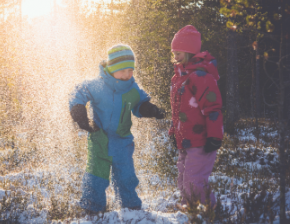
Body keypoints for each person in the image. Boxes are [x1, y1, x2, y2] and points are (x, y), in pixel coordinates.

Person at [69, 44, 165, 214]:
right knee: (96, 177)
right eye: (123, 70)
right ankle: (92, 208)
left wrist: (150, 109)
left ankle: (130, 207)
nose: (127, 74)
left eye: (131, 70)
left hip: (122, 141)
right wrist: (78, 110)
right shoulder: (97, 85)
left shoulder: (132, 88)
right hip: (99, 139)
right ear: (112, 69)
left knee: (126, 175)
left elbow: (140, 103)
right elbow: (78, 92)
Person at [169, 25, 223, 210]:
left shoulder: (200, 76)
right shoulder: (179, 77)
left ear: (191, 50)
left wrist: (215, 136)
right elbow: (177, 109)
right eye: (174, 51)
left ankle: (208, 211)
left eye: (179, 51)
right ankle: (189, 208)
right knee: (184, 178)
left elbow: (213, 108)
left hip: (201, 139)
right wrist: (172, 130)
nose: (175, 54)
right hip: (185, 139)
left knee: (194, 180)